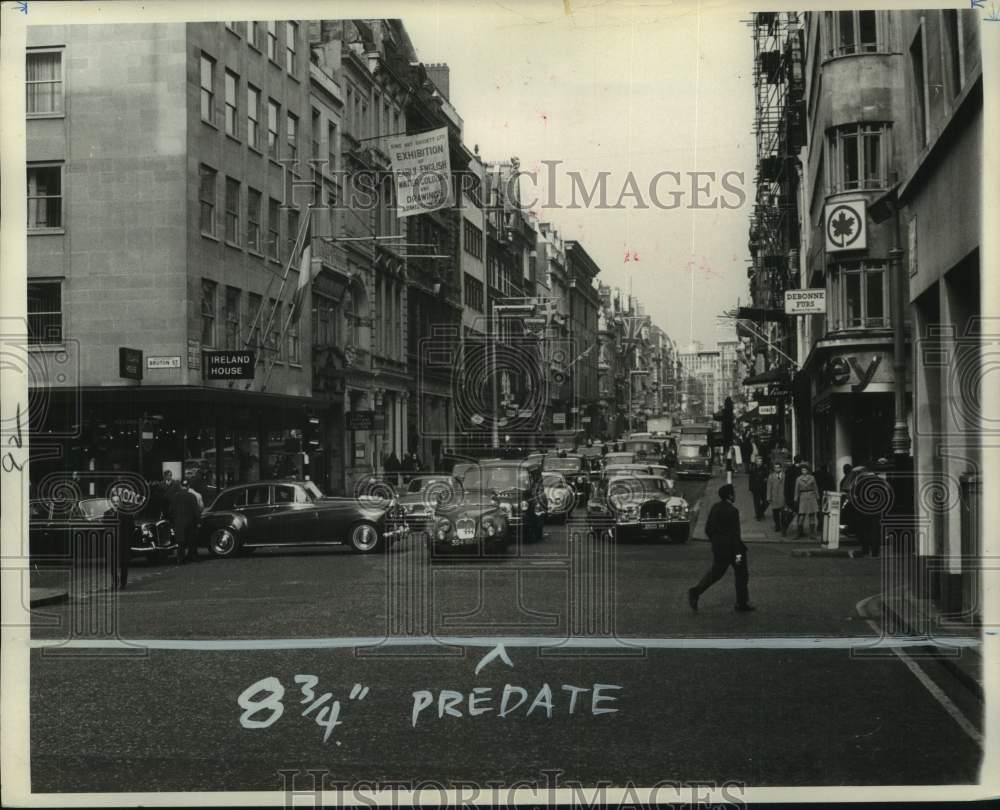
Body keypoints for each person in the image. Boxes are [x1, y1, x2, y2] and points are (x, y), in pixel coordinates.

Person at [688, 484, 753, 612]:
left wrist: (716, 541)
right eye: (733, 493)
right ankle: (741, 604)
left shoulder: (715, 507)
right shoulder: (733, 511)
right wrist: (738, 555)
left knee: (715, 573)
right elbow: (735, 535)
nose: (735, 495)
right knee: (742, 575)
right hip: (733, 550)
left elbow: (708, 529)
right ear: (729, 495)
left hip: (719, 548)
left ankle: (696, 591)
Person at [168, 481, 202, 563]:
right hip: (190, 522)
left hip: (179, 522)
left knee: (180, 542)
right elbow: (196, 510)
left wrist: (173, 521)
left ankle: (180, 559)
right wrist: (198, 521)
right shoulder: (192, 496)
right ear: (188, 487)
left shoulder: (175, 496)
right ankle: (192, 557)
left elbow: (171, 511)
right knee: (191, 541)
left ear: (181, 486)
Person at [104, 494, 133, 590]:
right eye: (114, 502)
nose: (116, 504)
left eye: (117, 501)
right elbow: (106, 528)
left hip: (124, 542)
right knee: (113, 564)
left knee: (124, 564)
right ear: (111, 503)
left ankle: (123, 583)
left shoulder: (127, 513)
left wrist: (127, 538)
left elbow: (131, 528)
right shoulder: (107, 513)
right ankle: (115, 582)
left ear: (120, 503)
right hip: (113, 543)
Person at [794, 465, 820, 538]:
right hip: (802, 497)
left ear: (807, 471)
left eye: (805, 470)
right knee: (801, 516)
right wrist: (795, 499)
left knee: (812, 516)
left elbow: (815, 488)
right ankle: (799, 533)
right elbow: (796, 490)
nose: (804, 472)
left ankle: (812, 534)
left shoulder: (812, 478)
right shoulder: (798, 479)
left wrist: (817, 497)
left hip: (811, 497)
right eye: (802, 470)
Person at [782, 455, 803, 535]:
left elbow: (786, 485)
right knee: (800, 513)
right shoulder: (801, 470)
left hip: (790, 495)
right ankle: (800, 531)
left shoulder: (789, 470)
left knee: (791, 513)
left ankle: (785, 528)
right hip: (799, 495)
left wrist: (786, 496)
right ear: (800, 461)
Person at [765, 462, 786, 532]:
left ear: (781, 468)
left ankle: (783, 526)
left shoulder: (784, 475)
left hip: (782, 496)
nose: (777, 469)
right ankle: (777, 526)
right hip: (774, 497)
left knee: (783, 513)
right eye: (775, 468)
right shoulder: (771, 476)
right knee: (775, 513)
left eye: (778, 467)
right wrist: (768, 497)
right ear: (774, 469)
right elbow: (769, 487)